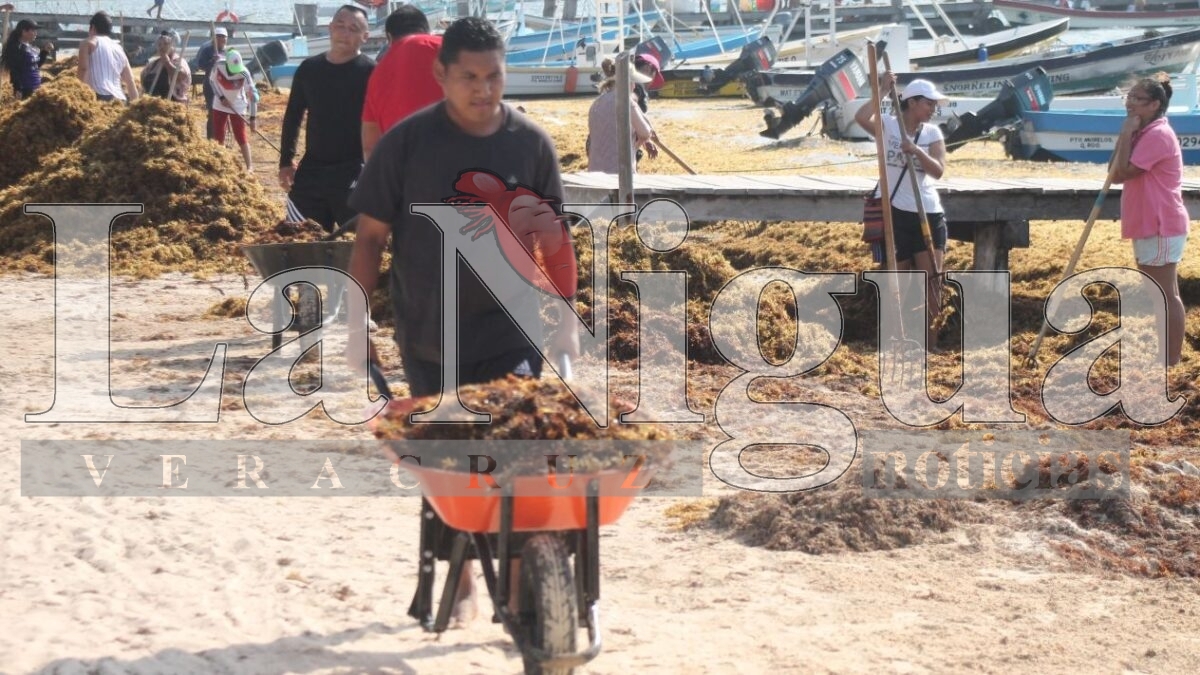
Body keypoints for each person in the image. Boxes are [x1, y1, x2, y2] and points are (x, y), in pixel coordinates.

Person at [345, 15, 579, 625]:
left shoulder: (530, 144)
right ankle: (464, 576)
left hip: (511, 328)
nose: (483, 89)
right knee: (452, 463)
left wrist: (566, 316)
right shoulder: (407, 144)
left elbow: (554, 243)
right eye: (469, 77)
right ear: (441, 75)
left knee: (519, 459)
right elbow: (369, 238)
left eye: (494, 75)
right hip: (430, 332)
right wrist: (356, 320)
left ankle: (528, 588)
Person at [854, 76, 950, 350]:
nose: (933, 109)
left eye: (934, 104)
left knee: (932, 280)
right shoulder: (889, 126)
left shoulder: (932, 133)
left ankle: (931, 344)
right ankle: (893, 340)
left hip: (927, 212)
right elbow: (861, 117)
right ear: (912, 102)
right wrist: (883, 91)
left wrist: (917, 151)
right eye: (928, 103)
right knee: (897, 280)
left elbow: (938, 171)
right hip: (895, 212)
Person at [1112, 74, 1190, 366]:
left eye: (1137, 99)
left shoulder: (1157, 134)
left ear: (1155, 104)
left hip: (1160, 224)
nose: (1130, 104)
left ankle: (1169, 361)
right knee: (1161, 293)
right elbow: (1114, 170)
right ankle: (1167, 357)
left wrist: (1124, 134)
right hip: (1148, 223)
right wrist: (1127, 134)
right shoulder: (1144, 132)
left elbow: (1123, 173)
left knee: (1165, 294)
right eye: (1128, 97)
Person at [279, 5, 374, 232]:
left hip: (354, 171)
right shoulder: (309, 69)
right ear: (330, 28)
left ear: (365, 36)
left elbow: (383, 122)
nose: (345, 33)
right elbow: (293, 116)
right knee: (299, 240)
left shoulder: (372, 72)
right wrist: (285, 161)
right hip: (312, 171)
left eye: (353, 28)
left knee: (359, 246)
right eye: (340, 26)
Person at [361, 4, 443, 160]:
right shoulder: (448, 49)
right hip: (456, 165)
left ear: (390, 38)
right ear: (427, 30)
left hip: (403, 172)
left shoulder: (377, 73)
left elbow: (370, 145)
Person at [586, 57, 658, 173]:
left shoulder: (596, 103)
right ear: (626, 82)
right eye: (632, 82)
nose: (634, 86)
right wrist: (635, 146)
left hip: (595, 171)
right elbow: (645, 133)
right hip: (619, 173)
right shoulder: (626, 102)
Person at [209, 49, 258, 171]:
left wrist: (253, 118)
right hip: (220, 103)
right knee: (219, 134)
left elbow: (253, 97)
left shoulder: (244, 73)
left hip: (237, 104)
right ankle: (220, 163)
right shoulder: (219, 65)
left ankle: (249, 167)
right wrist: (221, 97)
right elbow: (212, 81)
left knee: (240, 135)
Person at [77, 12, 138, 103]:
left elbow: (83, 69)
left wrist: (80, 96)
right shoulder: (119, 48)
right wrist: (136, 105)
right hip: (119, 99)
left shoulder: (88, 43)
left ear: (92, 28)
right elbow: (130, 80)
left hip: (99, 96)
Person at [191, 27, 229, 138]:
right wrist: (212, 60)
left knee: (224, 112)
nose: (221, 39)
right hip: (211, 85)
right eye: (219, 36)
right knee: (212, 112)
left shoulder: (228, 52)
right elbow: (201, 65)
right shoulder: (207, 50)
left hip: (225, 86)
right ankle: (211, 139)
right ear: (214, 38)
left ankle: (221, 137)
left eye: (223, 37)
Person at [140, 30, 190, 103]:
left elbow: (180, 76)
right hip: (152, 104)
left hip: (173, 104)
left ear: (174, 46)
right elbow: (143, 80)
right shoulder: (152, 64)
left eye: (166, 44)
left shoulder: (179, 61)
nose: (162, 47)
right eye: (159, 44)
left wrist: (167, 62)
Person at [1, 19, 41, 99]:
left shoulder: (29, 47)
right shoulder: (16, 48)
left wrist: (45, 53)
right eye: (33, 30)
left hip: (36, 87)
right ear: (24, 31)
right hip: (25, 89)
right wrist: (17, 89)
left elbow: (36, 66)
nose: (36, 33)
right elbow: (15, 70)